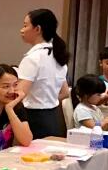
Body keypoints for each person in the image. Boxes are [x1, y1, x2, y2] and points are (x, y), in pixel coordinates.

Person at [16, 8, 71, 139]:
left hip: (34, 119)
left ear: (37, 29)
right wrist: (47, 101)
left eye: (25, 25)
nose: (21, 30)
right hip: (54, 117)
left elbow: (19, 95)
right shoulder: (58, 56)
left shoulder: (33, 58)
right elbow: (65, 93)